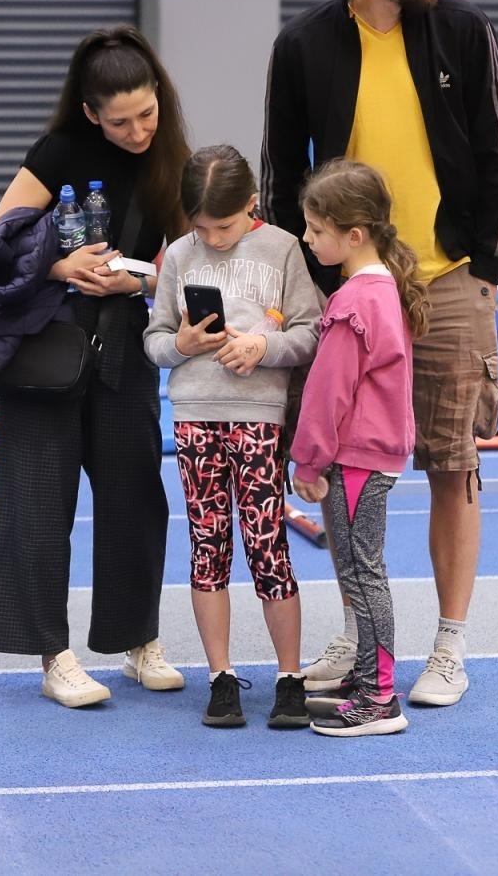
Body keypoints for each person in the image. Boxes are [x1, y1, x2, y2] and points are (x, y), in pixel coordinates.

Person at [261, 0, 498, 707]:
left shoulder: (466, 33)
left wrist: (485, 269)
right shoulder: (303, 45)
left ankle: (448, 644)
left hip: (447, 284)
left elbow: (497, 157)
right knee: (342, 469)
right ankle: (362, 630)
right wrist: (300, 285)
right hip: (351, 294)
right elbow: (281, 174)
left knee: (451, 463)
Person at [0, 24, 191, 709]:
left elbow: (188, 264)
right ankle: (54, 656)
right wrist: (57, 263)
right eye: (120, 121)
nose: (137, 131)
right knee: (38, 505)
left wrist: (142, 284)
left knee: (136, 500)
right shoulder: (58, 150)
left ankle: (138, 640)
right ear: (92, 112)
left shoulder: (174, 158)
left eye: (147, 114)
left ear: (159, 95)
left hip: (126, 352)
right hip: (47, 352)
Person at [143, 145, 323, 729]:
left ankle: (289, 677)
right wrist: (183, 346)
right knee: (208, 547)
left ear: (252, 205)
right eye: (200, 227)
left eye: (223, 226)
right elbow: (156, 339)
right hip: (195, 414)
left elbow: (310, 332)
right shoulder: (177, 255)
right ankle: (220, 677)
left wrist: (262, 346)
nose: (213, 238)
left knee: (268, 546)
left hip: (258, 418)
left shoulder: (282, 248)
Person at [289, 160, 429, 737]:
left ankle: (379, 698)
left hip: (357, 457)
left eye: (315, 230)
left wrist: (307, 457)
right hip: (374, 453)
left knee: (362, 572)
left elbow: (329, 391)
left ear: (353, 235)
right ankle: (369, 678)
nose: (306, 237)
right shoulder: (380, 291)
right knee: (360, 568)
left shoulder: (353, 303)